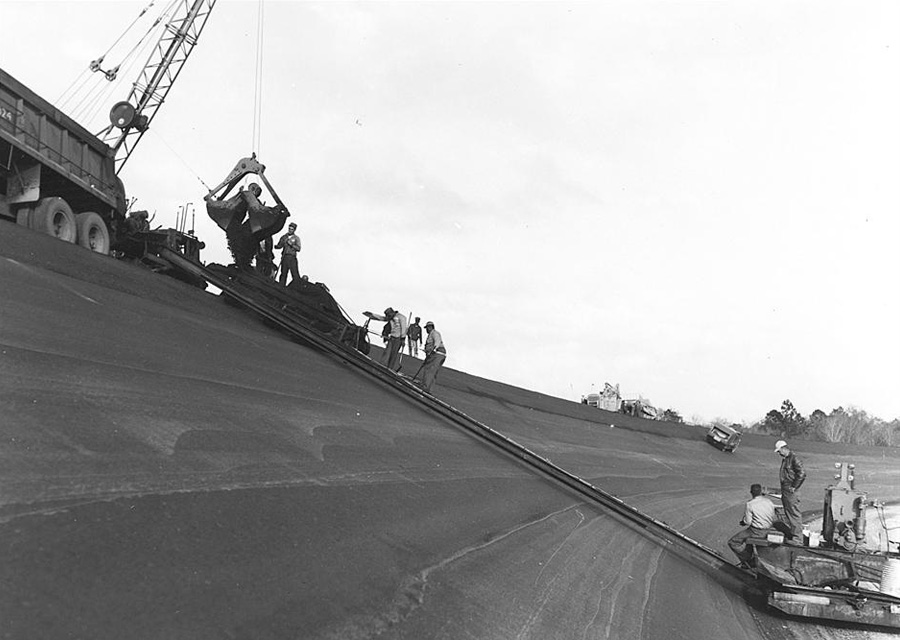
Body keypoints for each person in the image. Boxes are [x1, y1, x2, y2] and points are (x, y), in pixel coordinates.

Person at [728, 483, 776, 568]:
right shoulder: (769, 502)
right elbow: (772, 515)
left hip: (756, 531)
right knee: (748, 542)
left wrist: (743, 522)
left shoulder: (750, 504)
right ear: (761, 492)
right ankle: (750, 557)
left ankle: (747, 559)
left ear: (751, 492)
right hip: (769, 529)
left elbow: (748, 521)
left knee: (733, 542)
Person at [775, 440, 806, 540]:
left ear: (784, 449)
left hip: (791, 491)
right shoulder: (787, 459)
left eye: (779, 451)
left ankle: (798, 538)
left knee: (793, 513)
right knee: (789, 512)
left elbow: (802, 474)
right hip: (787, 490)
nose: (778, 453)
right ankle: (794, 535)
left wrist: (794, 486)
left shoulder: (794, 459)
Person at [419, 321, 446, 393]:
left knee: (429, 370)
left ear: (430, 327)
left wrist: (433, 350)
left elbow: (437, 341)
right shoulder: (431, 334)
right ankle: (429, 388)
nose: (426, 330)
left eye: (427, 328)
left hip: (437, 354)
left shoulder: (434, 333)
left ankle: (426, 387)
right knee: (433, 371)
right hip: (437, 354)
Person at [275, 222, 302, 286]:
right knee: (283, 273)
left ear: (294, 230)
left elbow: (298, 249)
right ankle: (281, 286)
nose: (290, 230)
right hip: (284, 257)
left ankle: (297, 287)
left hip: (292, 257)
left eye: (292, 229)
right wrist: (277, 246)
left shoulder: (296, 238)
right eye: (289, 229)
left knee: (295, 274)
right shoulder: (284, 237)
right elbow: (280, 245)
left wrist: (292, 244)